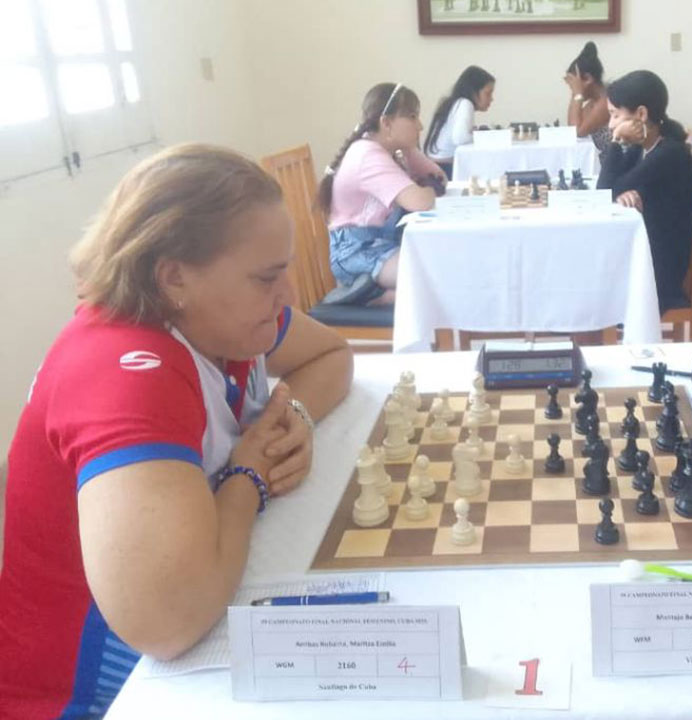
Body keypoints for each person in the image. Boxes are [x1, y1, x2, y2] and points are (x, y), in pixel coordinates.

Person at [0, 145, 354, 719]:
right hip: (90, 693)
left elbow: (333, 355)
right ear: (173, 277)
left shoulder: (223, 318)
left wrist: (295, 424)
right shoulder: (125, 370)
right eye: (267, 277)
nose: (287, 293)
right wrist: (249, 476)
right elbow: (165, 624)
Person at [318, 82, 446, 306]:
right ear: (386, 123)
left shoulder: (389, 150)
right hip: (356, 254)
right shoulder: (368, 155)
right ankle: (370, 296)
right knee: (434, 277)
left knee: (441, 267)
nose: (421, 125)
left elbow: (439, 179)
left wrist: (409, 149)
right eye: (413, 117)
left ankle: (379, 293)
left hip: (380, 245)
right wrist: (428, 189)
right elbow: (420, 202)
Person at [597, 70, 692, 314]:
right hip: (644, 251)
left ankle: (593, 334)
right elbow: (607, 189)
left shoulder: (669, 153)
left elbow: (605, 190)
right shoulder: (642, 146)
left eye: (615, 116)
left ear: (641, 114)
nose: (610, 125)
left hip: (660, 271)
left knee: (591, 273)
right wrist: (620, 193)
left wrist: (616, 141)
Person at [424, 65, 496, 178]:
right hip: (445, 168)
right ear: (473, 92)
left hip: (435, 165)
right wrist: (484, 136)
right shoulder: (465, 104)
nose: (491, 98)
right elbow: (460, 138)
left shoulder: (453, 103)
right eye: (488, 93)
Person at [565, 41, 612, 154]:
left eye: (573, 83)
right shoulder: (592, 103)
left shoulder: (606, 100)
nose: (571, 88)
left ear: (588, 79)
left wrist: (577, 94)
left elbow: (578, 132)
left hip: (615, 166)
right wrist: (576, 94)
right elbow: (573, 130)